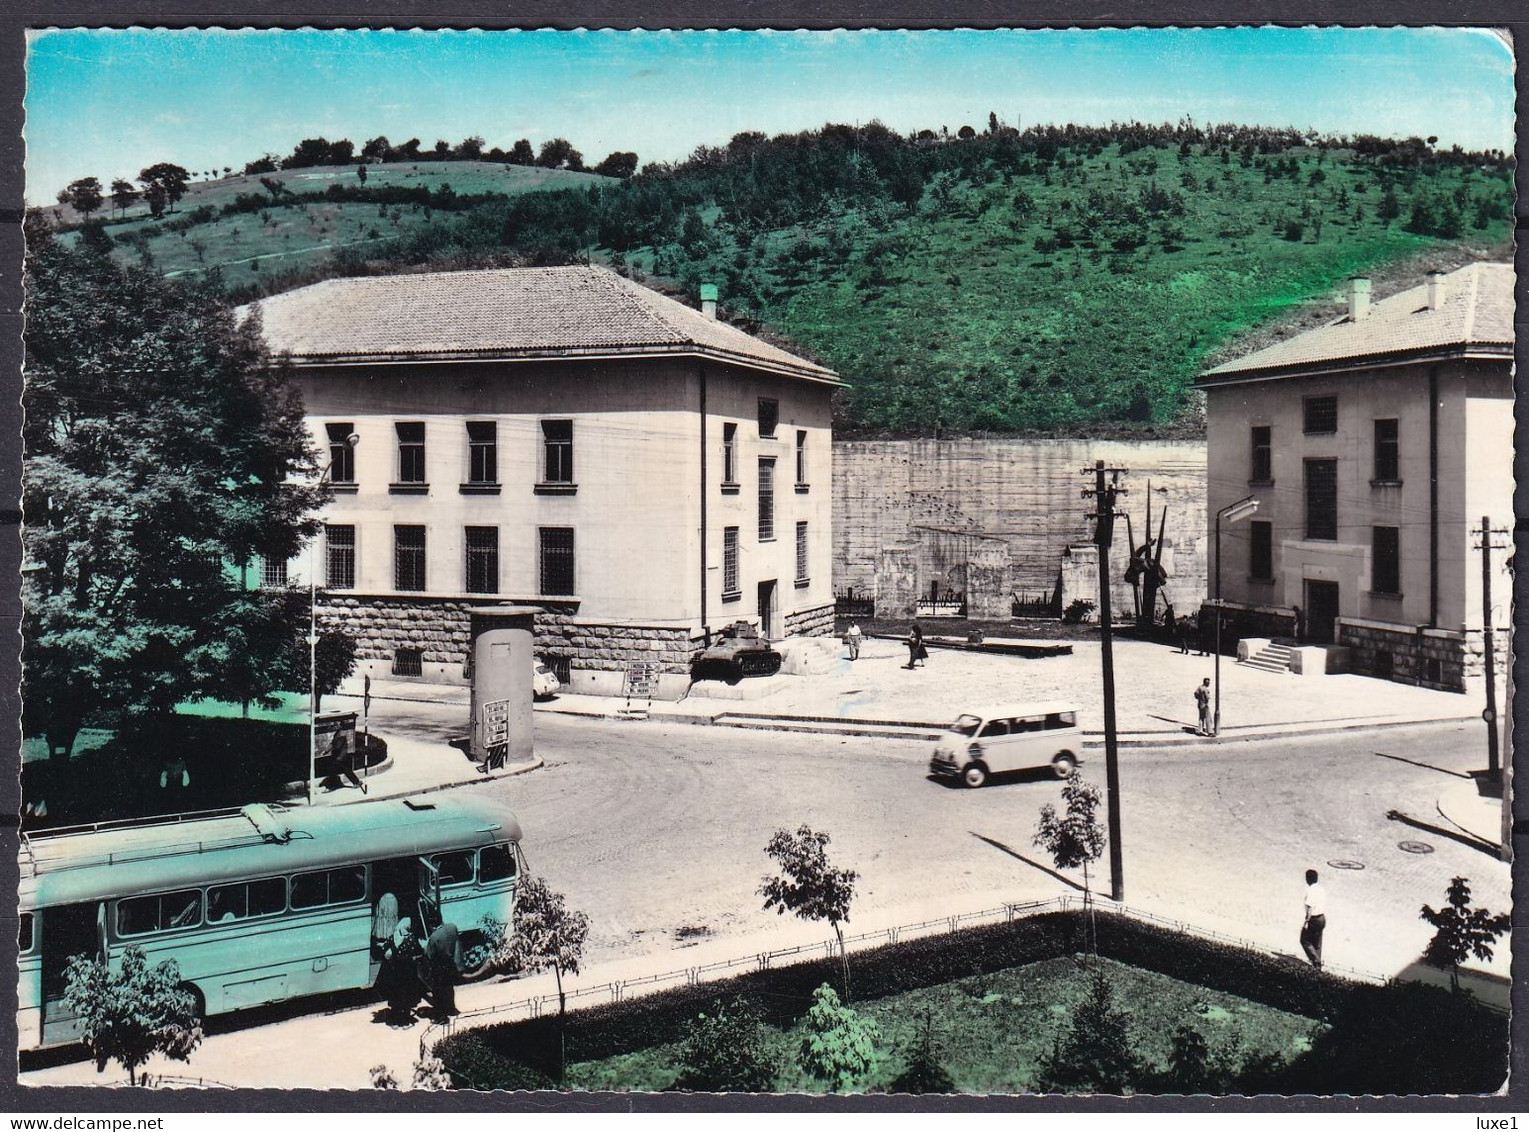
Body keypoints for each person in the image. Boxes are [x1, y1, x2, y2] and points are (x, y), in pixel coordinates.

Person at [424, 920, 462, 1017]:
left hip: (439, 968)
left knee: (439, 990)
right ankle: (451, 1009)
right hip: (450, 965)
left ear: (432, 926)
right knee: (449, 988)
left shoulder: (434, 938)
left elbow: (430, 956)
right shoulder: (452, 927)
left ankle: (441, 1013)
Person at [1301, 869, 1327, 969]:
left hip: (1314, 919)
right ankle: (1317, 967)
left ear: (1308, 879)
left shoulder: (1311, 890)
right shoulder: (1321, 889)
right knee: (1317, 944)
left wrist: (1306, 921)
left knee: (1304, 940)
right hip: (1322, 918)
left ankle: (1316, 961)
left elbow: (1310, 908)